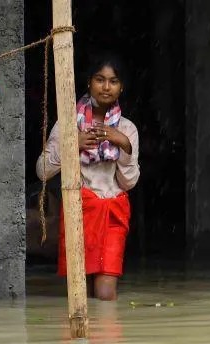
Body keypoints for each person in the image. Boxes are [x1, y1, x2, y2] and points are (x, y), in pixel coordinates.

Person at [36, 52, 140, 301]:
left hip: (113, 211)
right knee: (80, 293)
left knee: (105, 295)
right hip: (79, 211)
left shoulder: (127, 128)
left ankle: (105, 338)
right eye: (99, 79)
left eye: (113, 81)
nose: (106, 87)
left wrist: (123, 144)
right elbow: (42, 170)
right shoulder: (68, 125)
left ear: (121, 87)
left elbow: (129, 183)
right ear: (88, 83)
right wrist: (73, 145)